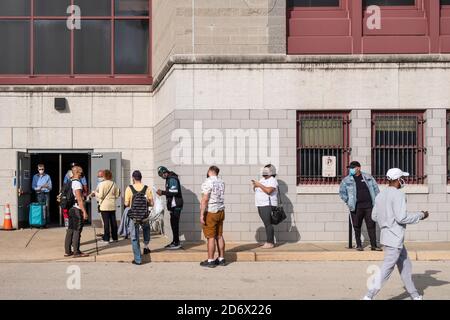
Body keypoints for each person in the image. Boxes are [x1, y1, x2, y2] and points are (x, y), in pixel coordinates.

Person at [363, 168, 429, 300]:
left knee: (406, 265)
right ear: (398, 180)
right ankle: (368, 296)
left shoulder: (380, 195)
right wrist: (420, 215)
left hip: (387, 237)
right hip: (395, 238)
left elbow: (374, 216)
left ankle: (415, 295)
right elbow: (401, 218)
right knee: (386, 269)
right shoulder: (399, 195)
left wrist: (387, 219)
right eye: (402, 178)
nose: (404, 181)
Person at [339, 161, 381, 251]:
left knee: (371, 225)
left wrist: (377, 201)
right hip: (356, 207)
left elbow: (376, 189)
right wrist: (348, 201)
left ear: (358, 168)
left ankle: (374, 245)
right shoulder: (346, 180)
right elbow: (342, 193)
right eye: (350, 168)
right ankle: (359, 245)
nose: (350, 170)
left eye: (352, 168)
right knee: (356, 226)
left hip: (369, 206)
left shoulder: (368, 177)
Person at [124, 170, 153, 265]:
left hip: (134, 216)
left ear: (133, 178)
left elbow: (126, 204)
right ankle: (146, 247)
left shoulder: (129, 188)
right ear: (141, 178)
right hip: (144, 215)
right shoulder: (147, 188)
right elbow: (152, 203)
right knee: (146, 230)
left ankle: (138, 259)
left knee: (134, 237)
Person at [200, 166, 226, 268]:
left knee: (210, 237)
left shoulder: (208, 182)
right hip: (221, 210)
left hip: (211, 211)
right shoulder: (221, 182)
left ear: (209, 171)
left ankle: (210, 260)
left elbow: (205, 199)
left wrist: (202, 214)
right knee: (219, 235)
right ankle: (221, 259)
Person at [64, 165, 89, 258]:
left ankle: (67, 251)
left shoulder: (70, 182)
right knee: (77, 230)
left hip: (70, 209)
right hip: (77, 209)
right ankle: (76, 252)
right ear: (77, 172)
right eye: (81, 172)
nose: (82, 173)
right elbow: (79, 199)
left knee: (70, 229)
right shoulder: (77, 183)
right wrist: (84, 212)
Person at [157, 166, 184, 250]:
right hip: (173, 205)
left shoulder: (172, 179)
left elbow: (174, 191)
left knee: (175, 224)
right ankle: (175, 241)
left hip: (176, 205)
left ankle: (176, 243)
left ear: (165, 172)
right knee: (173, 224)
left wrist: (163, 192)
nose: (162, 177)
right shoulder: (169, 179)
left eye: (162, 175)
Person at [252, 164, 278, 249]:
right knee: (266, 223)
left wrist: (259, 185)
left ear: (271, 172)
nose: (264, 171)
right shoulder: (262, 179)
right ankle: (268, 241)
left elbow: (269, 191)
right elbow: (257, 189)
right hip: (260, 204)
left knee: (268, 224)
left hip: (267, 204)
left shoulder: (272, 180)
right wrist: (255, 185)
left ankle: (270, 243)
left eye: (267, 170)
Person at [93, 170, 120, 244]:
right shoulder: (114, 184)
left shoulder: (102, 184)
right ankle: (115, 238)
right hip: (112, 205)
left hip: (104, 206)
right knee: (113, 222)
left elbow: (101, 195)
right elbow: (117, 195)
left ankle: (106, 238)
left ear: (104, 176)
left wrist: (95, 193)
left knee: (106, 223)